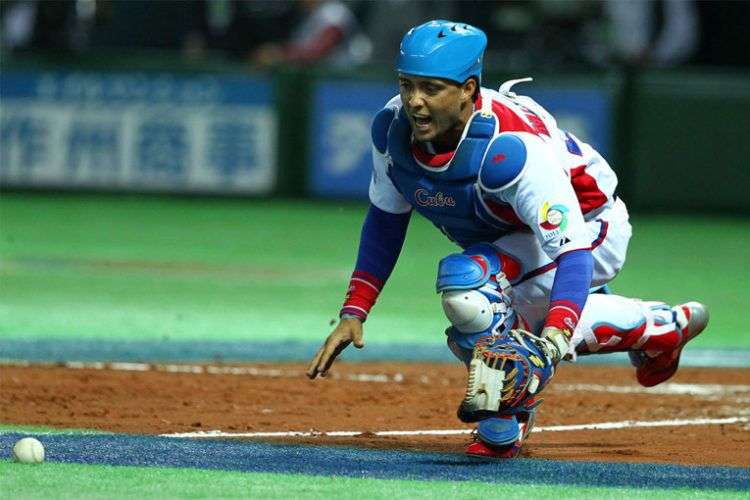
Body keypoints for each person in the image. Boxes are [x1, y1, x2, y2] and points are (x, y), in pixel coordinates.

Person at [306, 20, 708, 458]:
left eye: (431, 88)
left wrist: (554, 340)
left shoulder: (510, 152)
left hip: (593, 229)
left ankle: (518, 405)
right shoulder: (392, 128)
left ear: (468, 89)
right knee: (484, 303)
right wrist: (354, 309)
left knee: (472, 292)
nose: (415, 102)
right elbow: (386, 217)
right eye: (407, 85)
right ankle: (652, 330)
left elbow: (572, 253)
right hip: (513, 237)